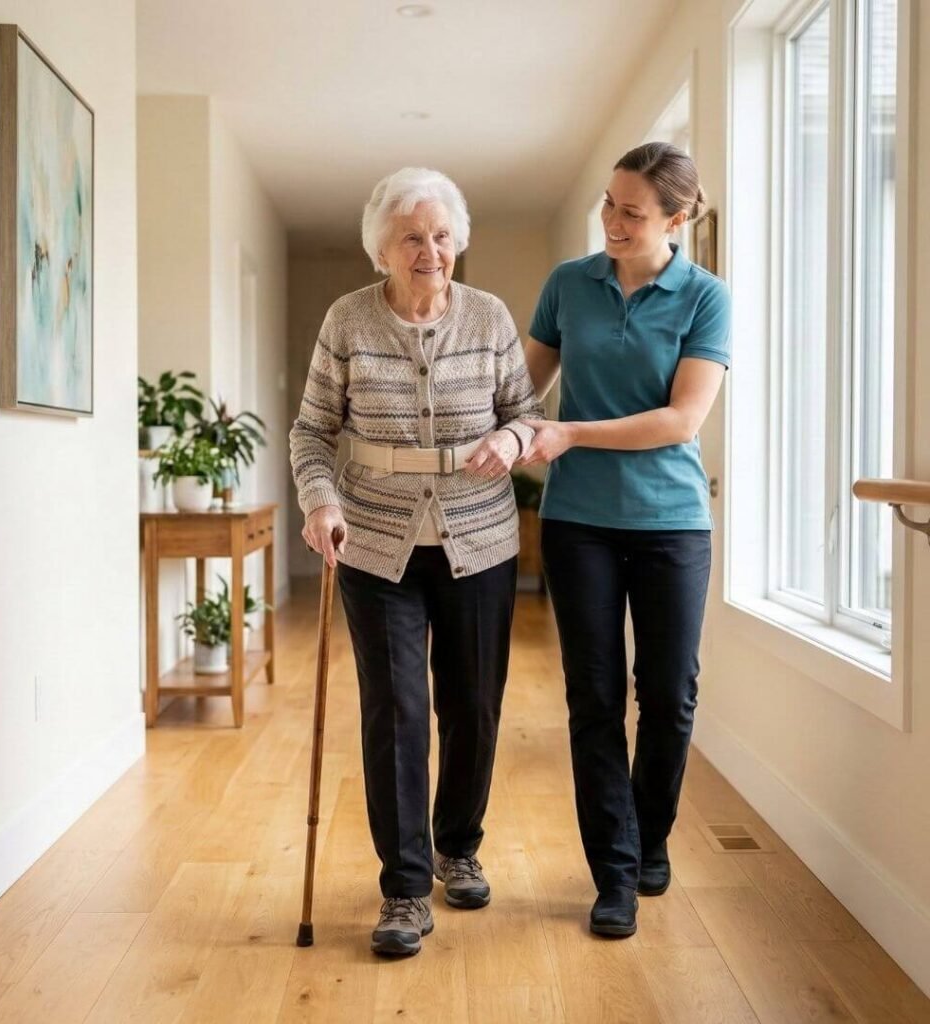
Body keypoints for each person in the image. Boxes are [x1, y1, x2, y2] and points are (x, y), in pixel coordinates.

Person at [289, 167, 543, 957]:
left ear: (457, 242)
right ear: (381, 251)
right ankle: (403, 889)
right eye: (412, 237)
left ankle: (455, 843)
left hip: (480, 541)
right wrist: (320, 502)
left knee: (473, 704)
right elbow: (310, 432)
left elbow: (527, 417)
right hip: (374, 540)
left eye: (441, 236)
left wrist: (511, 439)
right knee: (395, 712)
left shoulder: (491, 317)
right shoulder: (348, 321)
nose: (429, 250)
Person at [518, 142, 731, 939]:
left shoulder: (705, 297)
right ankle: (613, 871)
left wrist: (568, 431)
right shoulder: (570, 284)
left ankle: (649, 839)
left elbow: (683, 419)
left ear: (676, 219)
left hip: (672, 523)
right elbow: (520, 386)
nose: (612, 220)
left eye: (632, 212)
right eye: (608, 203)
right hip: (579, 526)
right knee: (594, 700)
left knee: (669, 698)